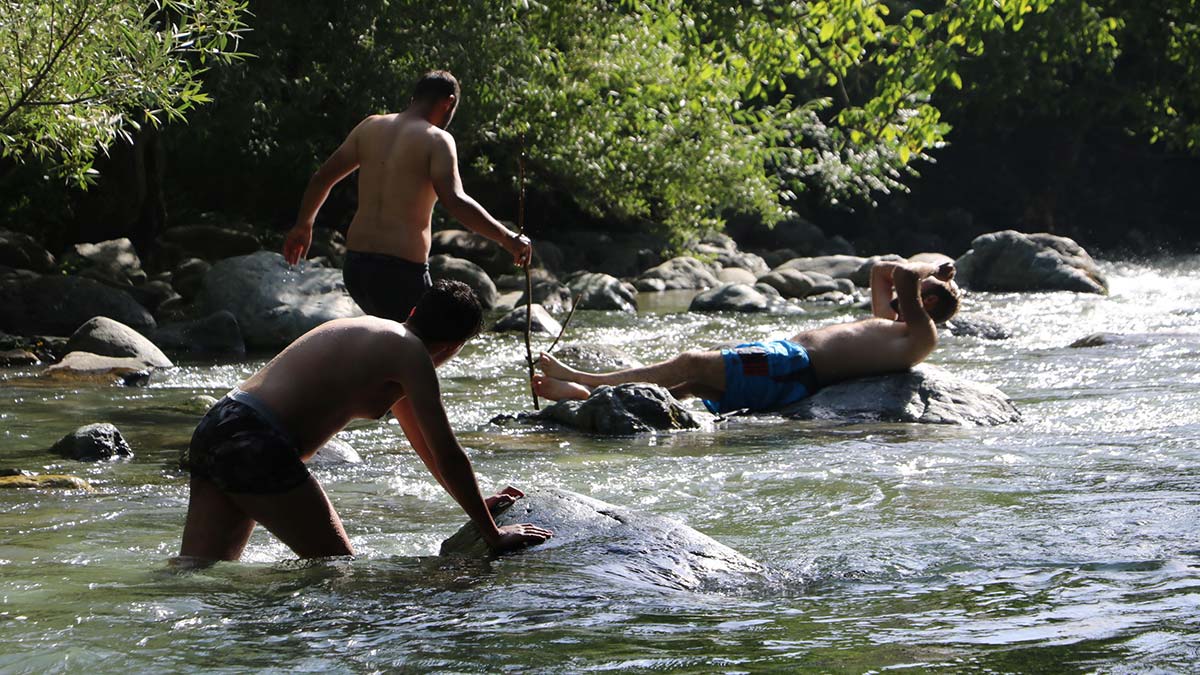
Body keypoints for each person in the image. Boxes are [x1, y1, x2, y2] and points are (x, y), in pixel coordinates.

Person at [179, 280, 552, 561]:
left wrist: (474, 506)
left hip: (219, 424)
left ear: (413, 313)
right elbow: (448, 452)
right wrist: (494, 534)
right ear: (454, 346)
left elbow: (426, 448)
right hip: (256, 442)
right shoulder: (411, 354)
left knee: (198, 572)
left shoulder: (382, 336)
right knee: (337, 571)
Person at [533, 260, 961, 414]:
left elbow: (902, 273)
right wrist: (926, 282)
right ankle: (586, 400)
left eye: (921, 298)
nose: (906, 299)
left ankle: (588, 380)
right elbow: (879, 272)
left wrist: (933, 274)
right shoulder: (896, 325)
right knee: (690, 387)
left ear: (931, 308)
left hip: (791, 365)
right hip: (786, 369)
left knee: (690, 362)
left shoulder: (921, 335)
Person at [282, 70, 532, 321]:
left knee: (390, 345)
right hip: (400, 272)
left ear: (415, 97)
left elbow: (322, 178)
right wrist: (507, 238)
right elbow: (454, 201)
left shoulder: (370, 126)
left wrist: (303, 225)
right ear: (449, 102)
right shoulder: (438, 140)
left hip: (356, 267)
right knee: (426, 348)